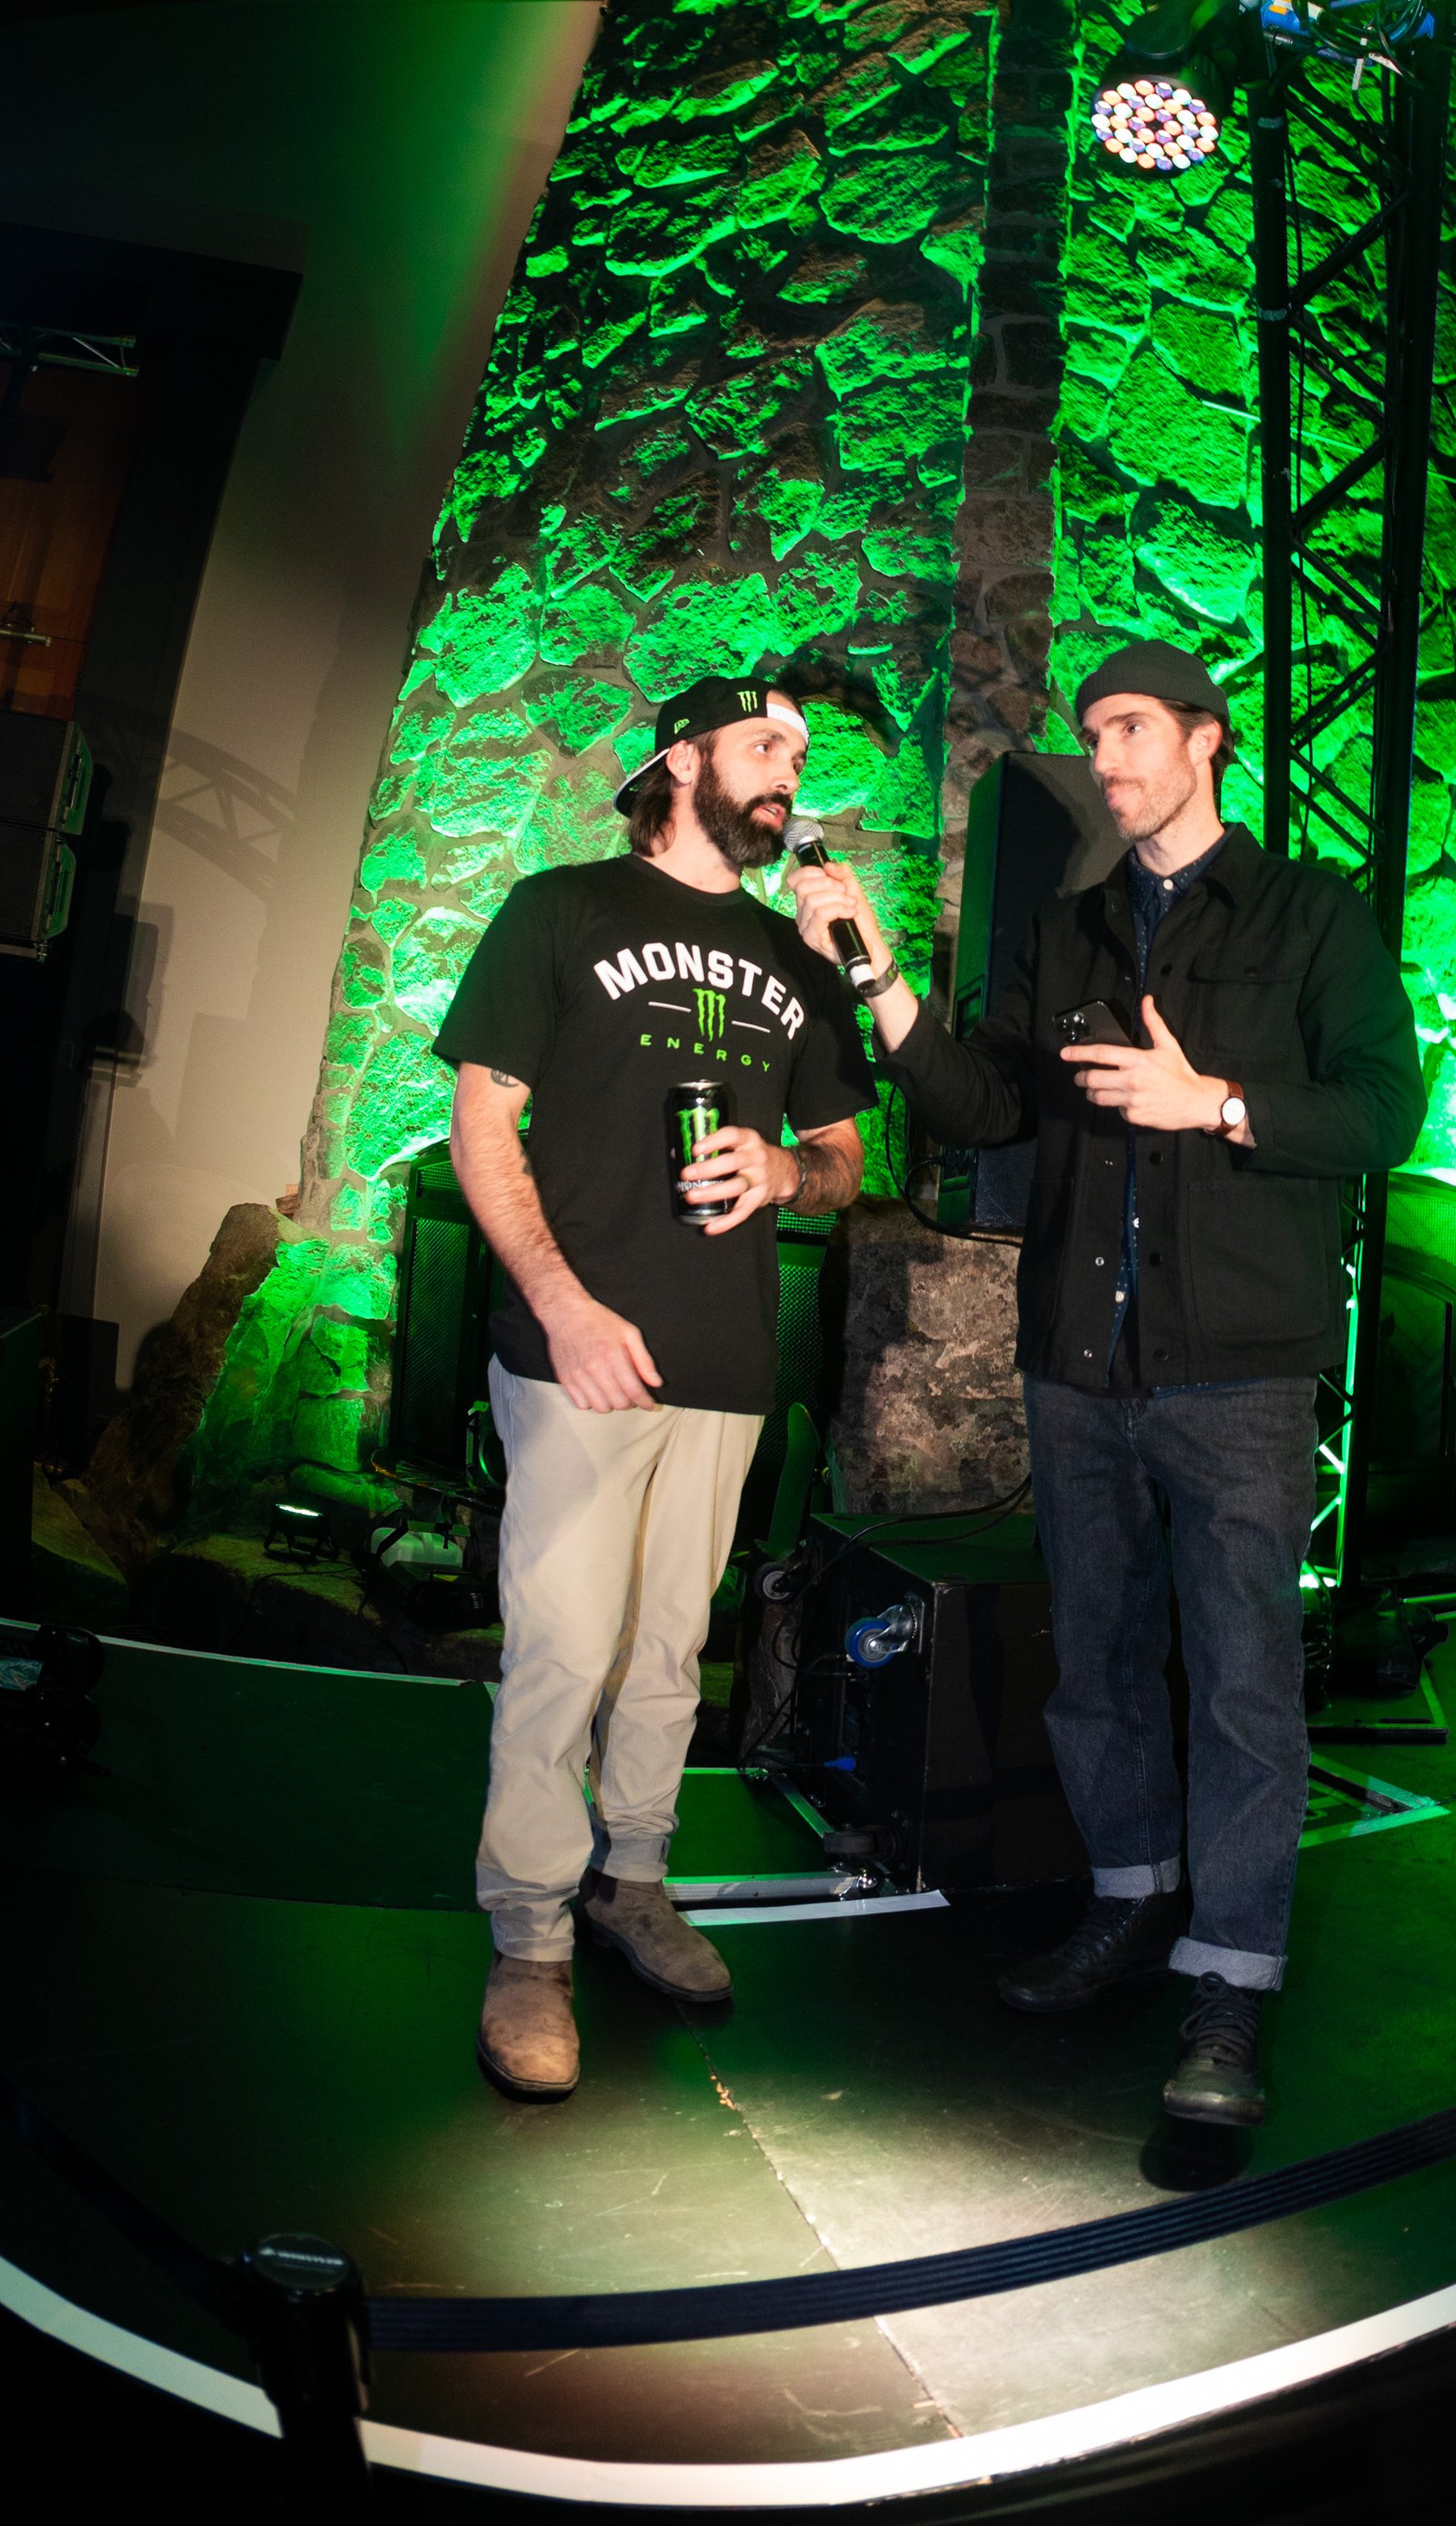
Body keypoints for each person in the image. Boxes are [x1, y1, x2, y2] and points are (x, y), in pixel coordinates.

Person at [787, 638, 1424, 2128]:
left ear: (1206, 738)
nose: (1109, 757)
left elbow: (1390, 1107)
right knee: (1100, 1673)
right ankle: (1134, 1899)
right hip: (1077, 1369)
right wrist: (874, 970)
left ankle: (1233, 1980)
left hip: (1238, 1379)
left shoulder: (1314, 914)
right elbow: (985, 1098)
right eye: (1094, 732)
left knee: (1249, 1690)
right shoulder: (1069, 930)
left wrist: (1222, 1102)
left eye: (1132, 728)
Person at [437, 674, 874, 2100]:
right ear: (681, 758)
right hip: (581, 1348)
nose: (789, 771)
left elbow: (846, 1157)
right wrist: (558, 1302)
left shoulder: (796, 953)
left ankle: (633, 1880)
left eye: (800, 754)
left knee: (674, 1649)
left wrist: (789, 1169)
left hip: (726, 1359)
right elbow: (479, 1124)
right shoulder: (559, 909)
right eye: (766, 745)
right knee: (563, 1645)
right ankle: (528, 1938)